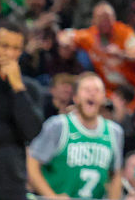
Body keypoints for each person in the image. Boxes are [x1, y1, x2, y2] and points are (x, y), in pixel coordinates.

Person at [28, 71, 125, 199]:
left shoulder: (115, 131)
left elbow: (116, 174)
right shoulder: (58, 125)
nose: (92, 93)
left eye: (97, 90)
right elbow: (32, 164)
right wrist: (51, 196)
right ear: (76, 97)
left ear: (103, 97)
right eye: (86, 89)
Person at [0, 17, 44, 200]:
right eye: (4, 46)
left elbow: (32, 131)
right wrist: (9, 134)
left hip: (11, 185)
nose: (10, 53)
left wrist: (18, 88)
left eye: (16, 48)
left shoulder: (29, 89)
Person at [62, 0, 135, 107]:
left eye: (107, 17)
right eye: (100, 18)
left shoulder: (124, 32)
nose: (104, 21)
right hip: (110, 91)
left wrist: (121, 54)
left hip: (133, 87)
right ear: (94, 20)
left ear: (114, 18)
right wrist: (66, 43)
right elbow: (65, 35)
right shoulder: (90, 36)